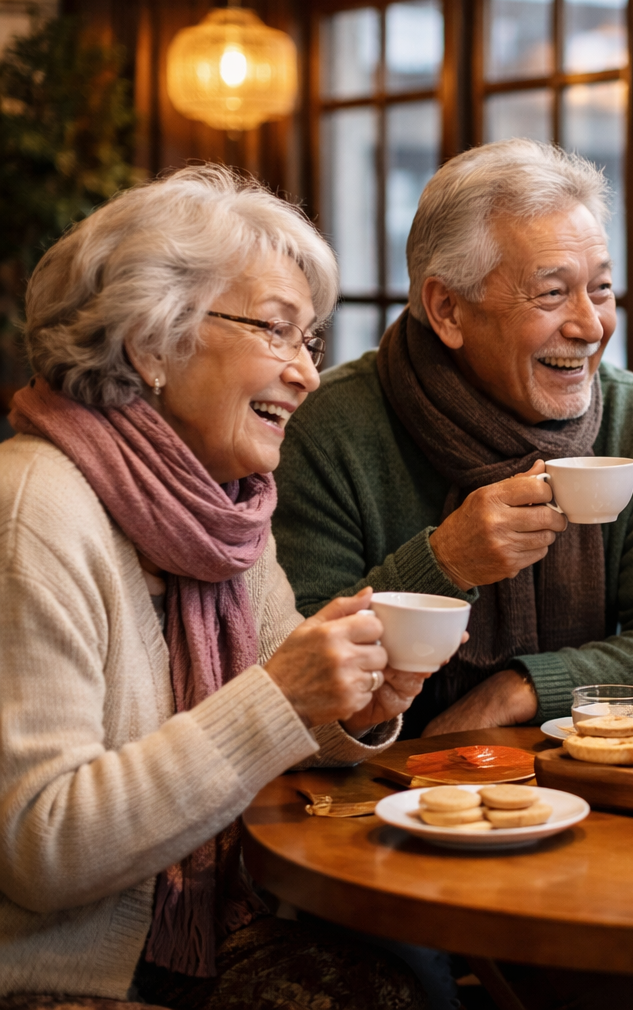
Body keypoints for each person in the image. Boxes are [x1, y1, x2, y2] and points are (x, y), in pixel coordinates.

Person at [0, 166, 432, 1008]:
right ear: (153, 344)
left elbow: (280, 707)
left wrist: (356, 705)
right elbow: (43, 848)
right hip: (60, 979)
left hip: (205, 935)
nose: (308, 375)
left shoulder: (221, 510)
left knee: (407, 968)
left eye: (312, 342)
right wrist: (283, 697)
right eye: (278, 333)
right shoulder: (34, 511)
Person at [273, 139, 633, 738]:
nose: (590, 326)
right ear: (448, 310)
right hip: (377, 791)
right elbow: (293, 668)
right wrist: (446, 563)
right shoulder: (330, 428)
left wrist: (519, 691)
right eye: (551, 292)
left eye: (600, 288)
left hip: (590, 785)